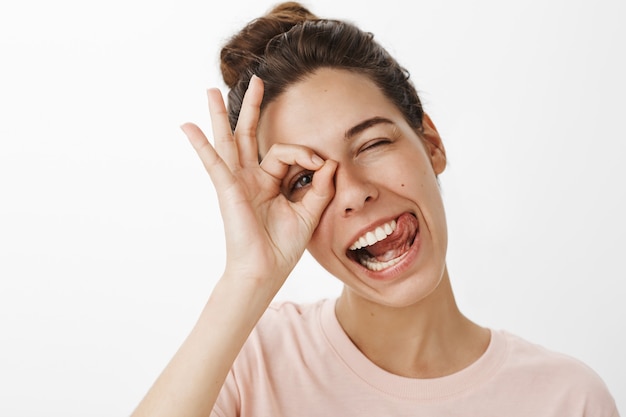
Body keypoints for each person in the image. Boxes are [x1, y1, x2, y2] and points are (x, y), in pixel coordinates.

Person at [132, 2, 619, 416]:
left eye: (371, 144)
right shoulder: (250, 361)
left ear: (430, 142)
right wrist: (246, 280)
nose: (352, 192)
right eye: (304, 178)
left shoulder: (566, 399)